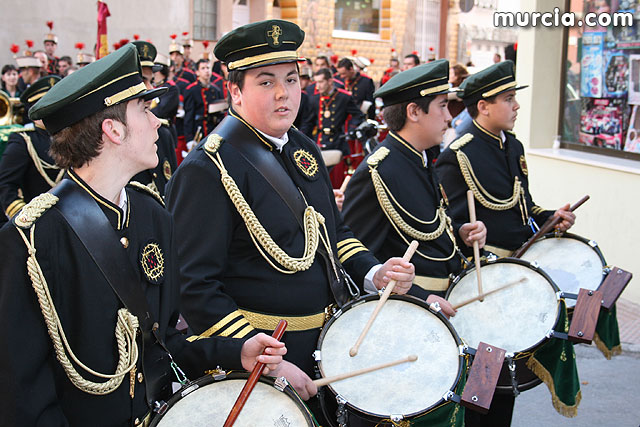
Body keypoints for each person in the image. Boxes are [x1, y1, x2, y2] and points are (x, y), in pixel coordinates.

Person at [0, 43, 285, 426]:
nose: (158, 123)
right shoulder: (30, 240)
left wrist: (236, 351)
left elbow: (161, 343)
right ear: (113, 130)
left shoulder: (151, 215)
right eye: (145, 110)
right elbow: (23, 396)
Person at [165, 19, 415, 420]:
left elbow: (335, 232)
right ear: (234, 91)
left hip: (327, 345)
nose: (284, 94)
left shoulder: (303, 148)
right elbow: (196, 288)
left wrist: (374, 273)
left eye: (292, 79)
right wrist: (270, 361)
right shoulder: (207, 168)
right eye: (266, 82)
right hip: (261, 358)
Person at [435, 60, 575, 427]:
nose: (516, 106)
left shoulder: (512, 146)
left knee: (509, 379)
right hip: (486, 280)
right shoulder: (458, 155)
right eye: (508, 99)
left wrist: (550, 217)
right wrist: (470, 235)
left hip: (519, 273)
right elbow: (449, 224)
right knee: (483, 383)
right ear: (483, 105)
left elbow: (524, 206)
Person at [343, 59, 486, 307]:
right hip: (411, 307)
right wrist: (420, 297)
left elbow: (429, 224)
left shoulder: (421, 156)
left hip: (446, 292)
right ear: (414, 112)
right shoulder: (379, 169)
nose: (448, 117)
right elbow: (355, 257)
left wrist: (460, 232)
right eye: (442, 106)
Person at [0, 75, 62, 223]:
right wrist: (26, 218)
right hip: (39, 221)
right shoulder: (24, 141)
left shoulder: (71, 136)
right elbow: (5, 186)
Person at [130, 41, 178, 198]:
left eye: (151, 81)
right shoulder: (117, 140)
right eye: (143, 81)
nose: (151, 89)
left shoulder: (163, 134)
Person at [301, 67, 363, 154]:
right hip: (320, 141)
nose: (317, 86)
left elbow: (358, 116)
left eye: (321, 82)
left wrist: (351, 129)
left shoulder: (344, 97)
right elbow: (308, 122)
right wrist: (301, 138)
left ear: (330, 81)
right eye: (316, 82)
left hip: (338, 141)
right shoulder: (314, 99)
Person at [183, 59, 223, 144]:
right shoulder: (191, 90)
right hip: (198, 131)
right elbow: (188, 116)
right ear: (197, 72)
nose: (206, 71)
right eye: (203, 68)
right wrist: (189, 138)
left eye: (208, 68)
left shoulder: (216, 90)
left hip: (213, 131)